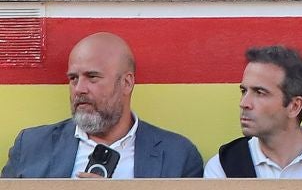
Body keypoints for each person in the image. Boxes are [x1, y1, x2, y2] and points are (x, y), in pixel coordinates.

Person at [0, 34, 204, 177]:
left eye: (92, 77)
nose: (79, 88)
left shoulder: (177, 155)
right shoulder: (31, 146)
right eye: (73, 78)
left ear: (127, 83)